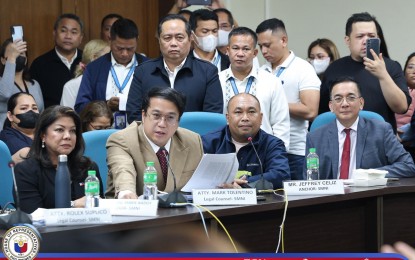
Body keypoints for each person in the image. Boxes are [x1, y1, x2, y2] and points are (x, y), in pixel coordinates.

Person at [305, 77, 415, 180]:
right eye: (338, 99)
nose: (345, 104)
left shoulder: (381, 131)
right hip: (331, 197)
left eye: (351, 98)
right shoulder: (314, 138)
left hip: (367, 196)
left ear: (361, 103)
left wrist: (370, 174)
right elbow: (307, 178)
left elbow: (408, 166)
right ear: (331, 106)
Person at [319, 12, 410, 133]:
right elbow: (324, 111)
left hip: (381, 140)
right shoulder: (334, 68)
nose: (366, 41)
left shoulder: (391, 66)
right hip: (343, 139)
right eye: (360, 36)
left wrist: (383, 75)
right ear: (347, 40)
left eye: (371, 36)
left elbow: (402, 107)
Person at [106, 87, 203, 199]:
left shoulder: (193, 141)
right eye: (156, 116)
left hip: (181, 214)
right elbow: (123, 169)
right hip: (135, 213)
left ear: (178, 121)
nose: (162, 124)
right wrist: (126, 193)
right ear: (144, 115)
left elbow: (202, 184)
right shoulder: (122, 140)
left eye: (170, 117)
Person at [126, 14, 223, 123]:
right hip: (152, 138)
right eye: (167, 38)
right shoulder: (143, 71)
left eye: (179, 38)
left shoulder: (208, 72)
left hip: (193, 138)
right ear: (159, 40)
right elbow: (134, 114)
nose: (173, 43)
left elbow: (212, 116)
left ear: (190, 38)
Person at [256, 18, 321, 180]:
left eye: (268, 45)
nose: (263, 51)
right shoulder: (260, 71)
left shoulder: (303, 68)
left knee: (294, 203)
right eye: (260, 46)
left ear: (283, 40)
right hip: (262, 149)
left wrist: (276, 104)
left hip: (294, 151)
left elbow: (311, 110)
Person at [14, 106, 104, 214]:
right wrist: (73, 205)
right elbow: (32, 216)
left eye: (72, 131)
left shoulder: (89, 167)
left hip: (91, 229)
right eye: (59, 130)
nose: (67, 136)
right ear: (43, 135)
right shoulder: (25, 171)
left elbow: (101, 208)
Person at [219, 27, 290, 149]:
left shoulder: (271, 82)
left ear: (255, 53)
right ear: (227, 50)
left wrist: (278, 152)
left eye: (246, 49)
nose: (240, 54)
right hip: (225, 149)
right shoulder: (216, 81)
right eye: (235, 48)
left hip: (263, 151)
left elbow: (281, 123)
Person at [202, 93, 290, 189]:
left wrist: (245, 183)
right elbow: (193, 176)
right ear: (228, 118)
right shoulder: (209, 142)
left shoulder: (272, 144)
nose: (245, 118)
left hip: (259, 202)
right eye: (238, 112)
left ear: (261, 118)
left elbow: (281, 175)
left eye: (251, 112)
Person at [74, 18, 148, 118]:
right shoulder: (94, 68)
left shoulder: (149, 66)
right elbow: (80, 107)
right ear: (110, 40)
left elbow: (160, 104)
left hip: (139, 128)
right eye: (120, 48)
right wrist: (105, 106)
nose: (125, 54)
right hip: (105, 129)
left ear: (137, 40)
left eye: (130, 49)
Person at [30, 13, 84, 108]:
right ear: (54, 34)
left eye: (74, 32)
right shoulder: (40, 64)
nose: (68, 36)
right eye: (63, 31)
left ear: (81, 38)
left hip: (85, 118)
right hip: (52, 119)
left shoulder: (88, 61)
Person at [0, 38, 44, 130]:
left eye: (21, 53)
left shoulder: (34, 84)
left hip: (33, 136)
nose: (17, 55)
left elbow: (42, 112)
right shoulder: (2, 83)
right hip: (5, 136)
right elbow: (5, 93)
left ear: (26, 59)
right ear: (3, 60)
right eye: (13, 52)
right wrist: (12, 58)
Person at [60, 39, 110, 108]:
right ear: (95, 58)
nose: (111, 62)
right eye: (107, 57)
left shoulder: (110, 82)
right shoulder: (70, 86)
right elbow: (66, 116)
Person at [0, 93, 39, 163]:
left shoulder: (44, 132)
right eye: (24, 108)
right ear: (10, 116)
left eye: (34, 108)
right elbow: (26, 154)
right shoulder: (6, 136)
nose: (31, 111)